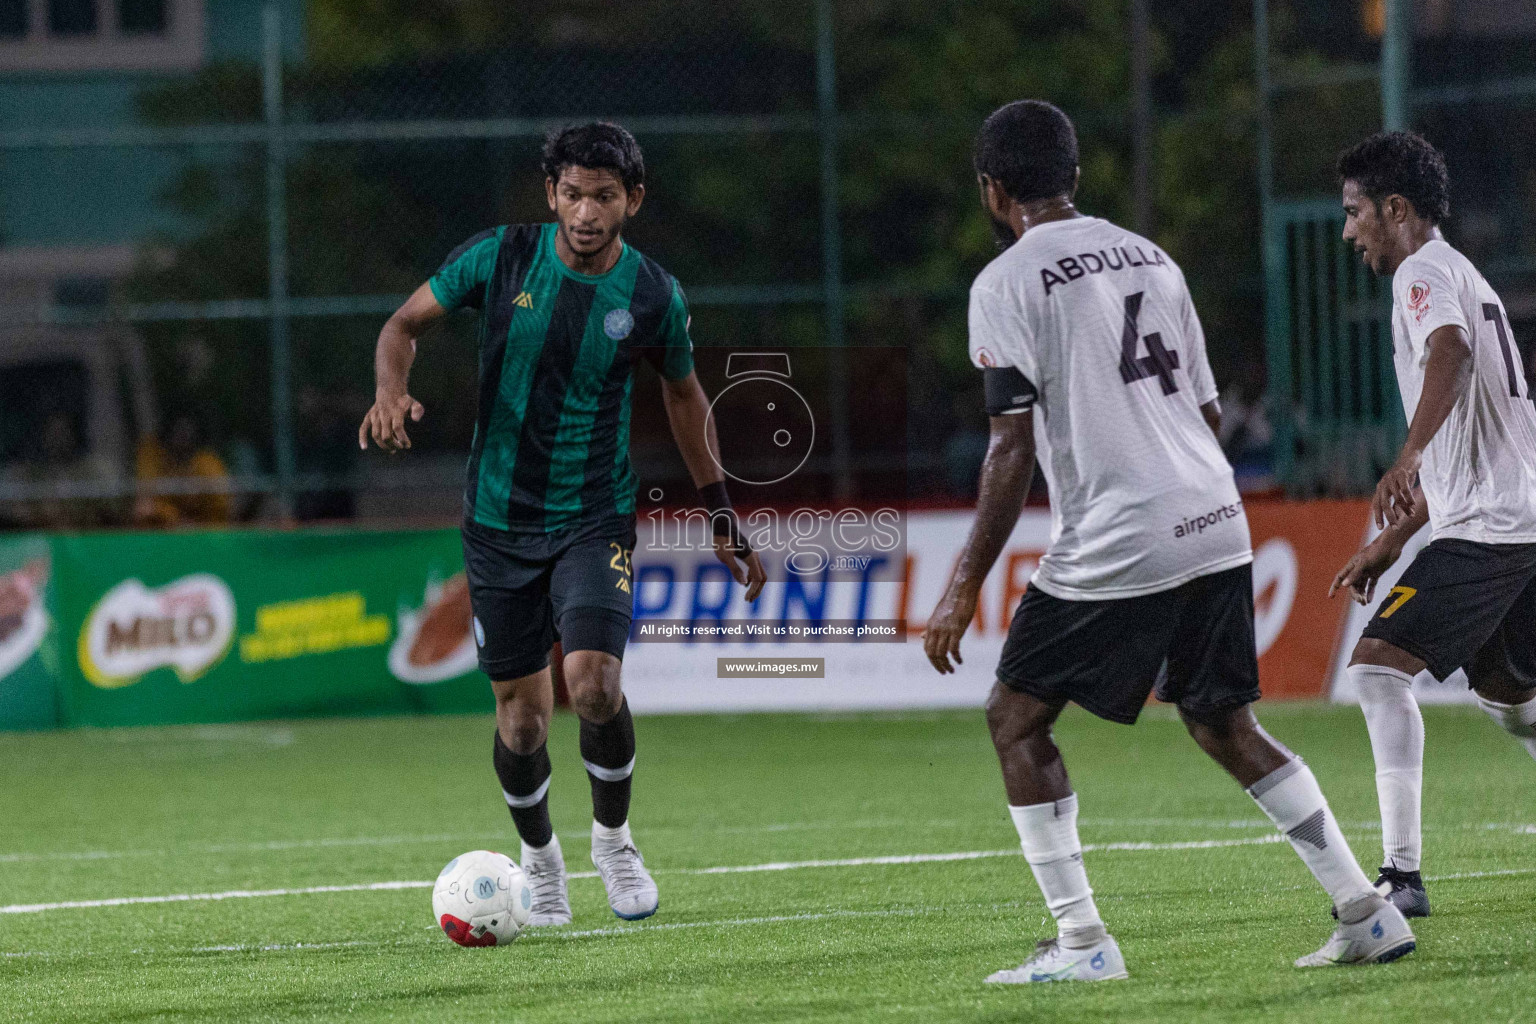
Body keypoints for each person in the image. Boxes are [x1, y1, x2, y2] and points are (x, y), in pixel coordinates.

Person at [922, 100, 1413, 982]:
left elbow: (1009, 447)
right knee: (1225, 722)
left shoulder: (1006, 282)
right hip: (1216, 516)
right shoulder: (1151, 255)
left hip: (1120, 532)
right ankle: (1364, 909)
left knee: (1015, 719)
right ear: (1074, 176)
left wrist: (962, 586)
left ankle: (1082, 944)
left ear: (993, 190)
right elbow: (1211, 411)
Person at [360, 122, 766, 926]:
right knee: (522, 714)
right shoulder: (500, 257)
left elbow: (685, 397)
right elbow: (401, 325)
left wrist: (720, 512)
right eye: (573, 194)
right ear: (552, 195)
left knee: (594, 684)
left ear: (632, 202)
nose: (586, 211)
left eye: (604, 196)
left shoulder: (653, 295)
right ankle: (541, 863)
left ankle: (613, 845)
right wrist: (388, 391)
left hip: (594, 517)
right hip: (498, 523)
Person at [1329, 131, 1536, 919]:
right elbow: (1471, 437)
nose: (1350, 232)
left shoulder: (1422, 274)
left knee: (1378, 669)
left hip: (1492, 526)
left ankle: (1401, 877)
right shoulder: (1463, 273)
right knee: (1510, 695)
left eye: (1356, 214)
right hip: (1510, 516)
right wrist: (1392, 536)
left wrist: (1406, 453)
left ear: (1396, 209)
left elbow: (1445, 352)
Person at [134, 414, 233, 527]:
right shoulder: (153, 456)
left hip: (207, 534)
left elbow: (222, 505)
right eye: (177, 431)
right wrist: (172, 517)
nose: (183, 437)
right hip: (166, 533)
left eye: (187, 431)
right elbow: (144, 507)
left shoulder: (207, 462)